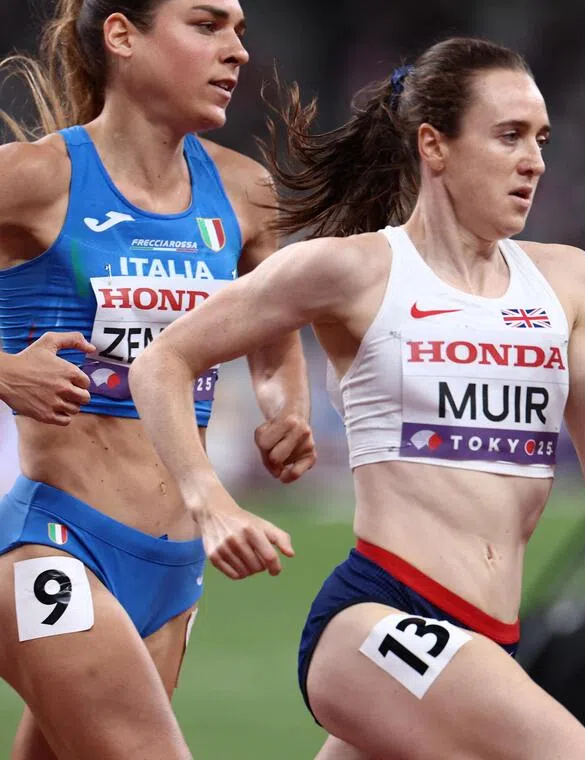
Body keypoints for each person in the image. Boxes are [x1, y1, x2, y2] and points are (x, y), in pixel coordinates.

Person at [131, 36, 585, 760]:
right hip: (378, 618)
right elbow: (162, 360)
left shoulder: (565, 278)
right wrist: (210, 503)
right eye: (508, 136)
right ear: (434, 146)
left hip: (486, 643)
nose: (533, 159)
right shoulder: (355, 271)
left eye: (540, 139)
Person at [0, 1, 314, 758]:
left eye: (239, 29)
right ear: (122, 36)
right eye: (207, 25)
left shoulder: (244, 193)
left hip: (174, 569)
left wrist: (287, 407)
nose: (236, 49)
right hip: (55, 543)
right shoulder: (39, 177)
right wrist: (5, 372)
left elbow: (273, 336)